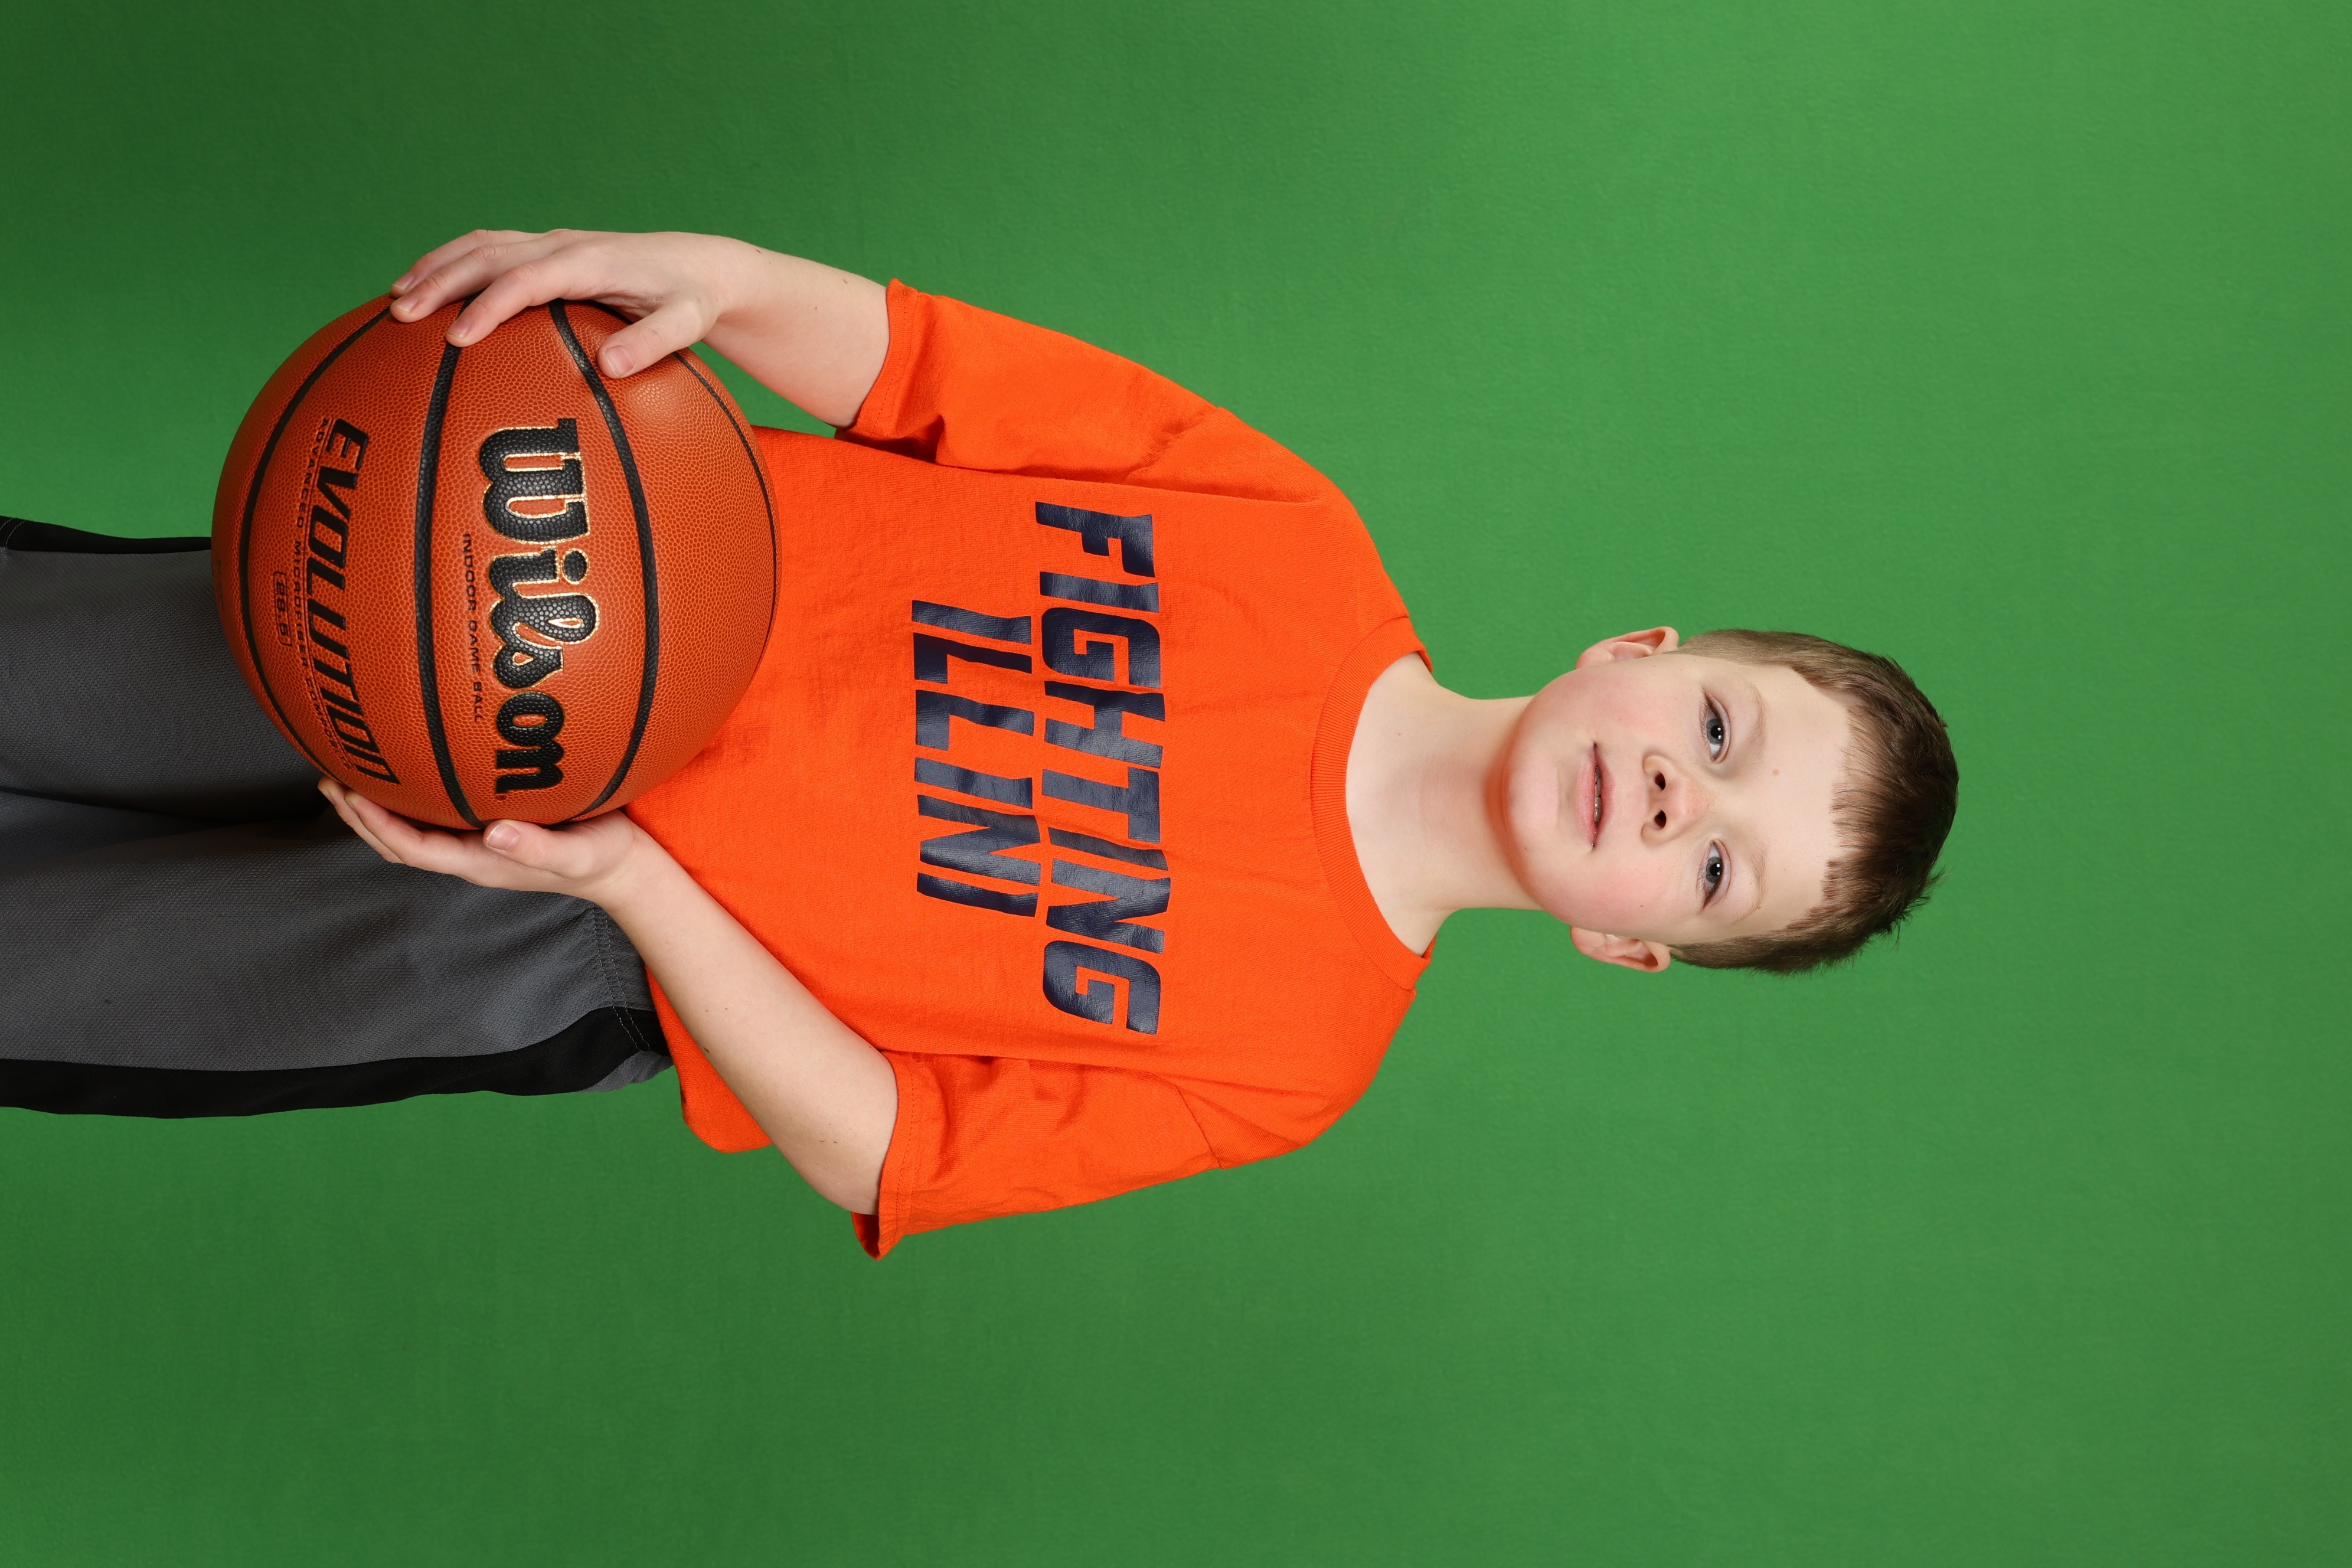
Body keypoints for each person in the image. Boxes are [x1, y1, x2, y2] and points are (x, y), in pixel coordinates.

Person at [1, 229, 1957, 1256]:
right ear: (1642, 647)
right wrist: (715, 282)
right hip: (528, 594)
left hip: (563, 944)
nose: (1680, 793)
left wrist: (632, 884)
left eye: (1717, 864)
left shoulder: (1292, 1064)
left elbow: (886, 1143)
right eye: (1722, 727)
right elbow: (929, 371)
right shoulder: (1298, 535)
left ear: (1631, 945)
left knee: (54, 973)